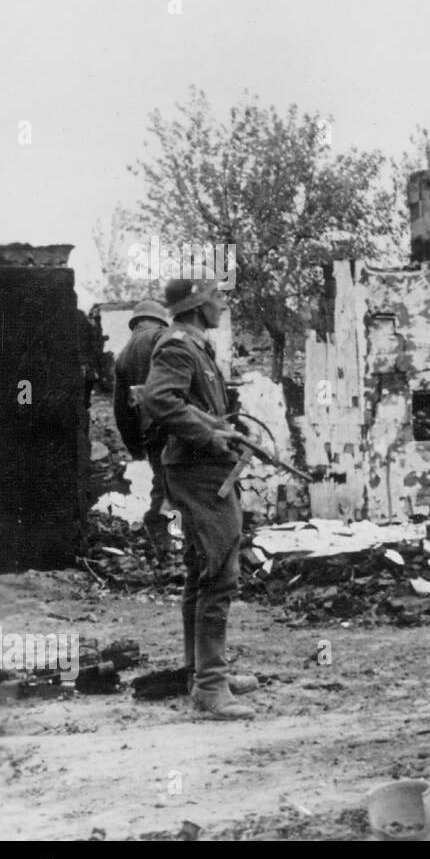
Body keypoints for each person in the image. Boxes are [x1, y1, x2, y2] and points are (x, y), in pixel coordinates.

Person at [142, 268, 257, 719]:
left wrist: (224, 428)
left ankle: (203, 671)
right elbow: (160, 401)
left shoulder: (195, 346)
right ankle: (210, 687)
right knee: (219, 572)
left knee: (201, 569)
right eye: (216, 297)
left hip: (203, 467)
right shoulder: (176, 345)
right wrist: (210, 438)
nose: (223, 305)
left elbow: (190, 406)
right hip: (199, 470)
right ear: (196, 305)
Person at [112, 299, 172, 555]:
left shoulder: (123, 355)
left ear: (135, 322)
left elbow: (121, 409)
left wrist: (135, 447)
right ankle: (168, 537)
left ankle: (165, 545)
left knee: (164, 481)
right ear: (160, 320)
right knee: (182, 483)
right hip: (175, 424)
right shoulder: (164, 337)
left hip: (150, 431)